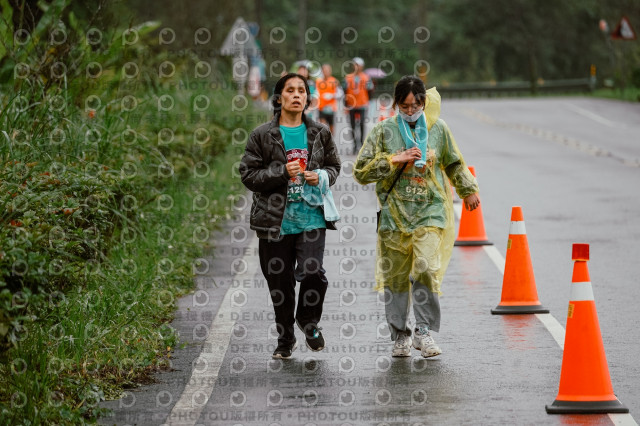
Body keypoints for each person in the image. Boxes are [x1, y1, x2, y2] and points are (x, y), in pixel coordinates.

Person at [353, 75, 480, 358]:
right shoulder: (384, 131)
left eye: (416, 105)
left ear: (424, 102)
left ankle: (424, 331)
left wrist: (468, 189)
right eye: (405, 106)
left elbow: (453, 162)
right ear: (397, 104)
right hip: (394, 214)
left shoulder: (438, 129)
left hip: (430, 210)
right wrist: (393, 159)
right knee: (396, 277)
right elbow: (361, 171)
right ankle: (400, 335)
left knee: (425, 266)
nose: (411, 111)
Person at [240, 73, 341, 359]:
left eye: (302, 91)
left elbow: (334, 166)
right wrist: (282, 172)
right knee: (280, 284)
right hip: (274, 222)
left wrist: (320, 175)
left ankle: (308, 322)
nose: (297, 95)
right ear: (279, 97)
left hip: (311, 218)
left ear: (307, 99)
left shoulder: (320, 133)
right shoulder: (261, 135)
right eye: (290, 90)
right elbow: (248, 175)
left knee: (313, 273)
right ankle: (285, 339)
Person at [343, 57, 373, 154]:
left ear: (362, 66)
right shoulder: (348, 77)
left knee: (361, 124)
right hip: (352, 105)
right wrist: (345, 105)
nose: (357, 67)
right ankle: (355, 145)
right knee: (352, 126)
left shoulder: (366, 77)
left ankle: (362, 144)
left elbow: (370, 91)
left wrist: (368, 101)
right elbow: (345, 92)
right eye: (355, 65)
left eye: (358, 65)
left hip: (362, 105)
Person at [316, 63, 341, 134]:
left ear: (330, 71)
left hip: (331, 108)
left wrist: (332, 95)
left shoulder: (334, 81)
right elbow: (316, 92)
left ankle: (330, 142)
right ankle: (324, 143)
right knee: (323, 127)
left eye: (328, 70)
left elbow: (340, 93)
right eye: (324, 70)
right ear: (322, 71)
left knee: (331, 130)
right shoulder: (318, 81)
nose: (326, 72)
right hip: (322, 107)